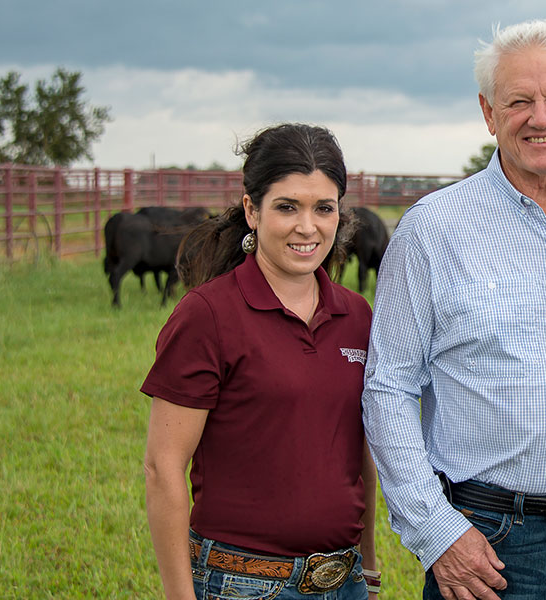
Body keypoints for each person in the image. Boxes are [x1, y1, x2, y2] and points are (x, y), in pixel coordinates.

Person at [362, 18, 546, 600]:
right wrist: (438, 532)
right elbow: (388, 389)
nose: (541, 117)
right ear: (488, 112)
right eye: (519, 101)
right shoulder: (432, 230)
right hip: (490, 541)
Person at [142, 123, 381, 600]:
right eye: (287, 206)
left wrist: (369, 569)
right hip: (242, 584)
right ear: (252, 210)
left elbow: (360, 456)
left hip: (345, 580)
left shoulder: (357, 315)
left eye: (323, 208)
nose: (307, 227)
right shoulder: (207, 315)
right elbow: (162, 467)